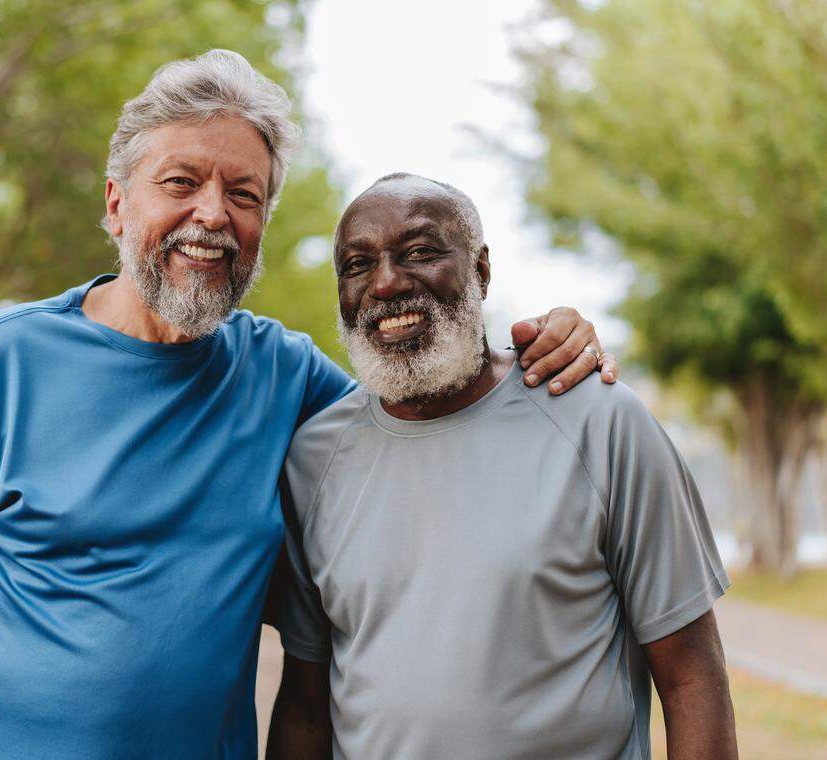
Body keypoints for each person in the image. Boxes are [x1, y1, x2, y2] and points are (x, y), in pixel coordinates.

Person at [0, 52, 617, 759]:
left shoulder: (286, 377)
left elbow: (429, 412)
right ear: (117, 204)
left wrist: (539, 345)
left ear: (261, 227)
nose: (213, 214)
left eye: (242, 194)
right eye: (181, 182)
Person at [267, 173, 736, 760]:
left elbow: (693, 677)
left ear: (481, 270)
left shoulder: (599, 421)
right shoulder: (314, 459)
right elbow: (307, 708)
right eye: (357, 265)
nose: (385, 283)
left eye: (419, 252)